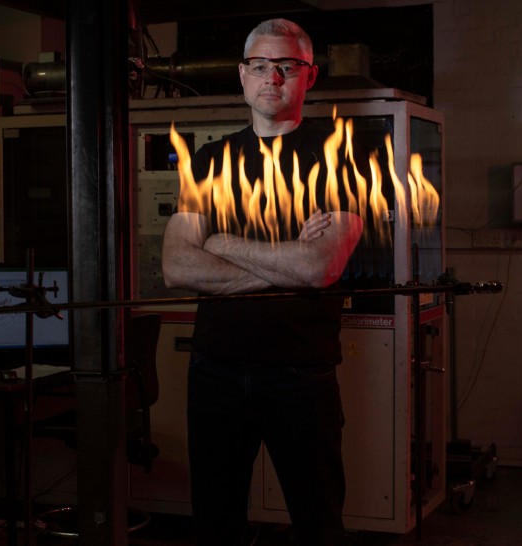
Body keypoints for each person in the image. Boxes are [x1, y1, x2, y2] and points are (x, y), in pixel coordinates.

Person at [162, 18, 363, 546]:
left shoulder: (341, 160)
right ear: (242, 75)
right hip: (215, 372)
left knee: (318, 524)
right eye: (259, 66)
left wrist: (220, 242)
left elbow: (321, 268)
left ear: (309, 76)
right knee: (216, 524)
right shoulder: (209, 162)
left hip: (301, 376)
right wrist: (288, 260)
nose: (271, 77)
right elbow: (175, 267)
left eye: (286, 66)